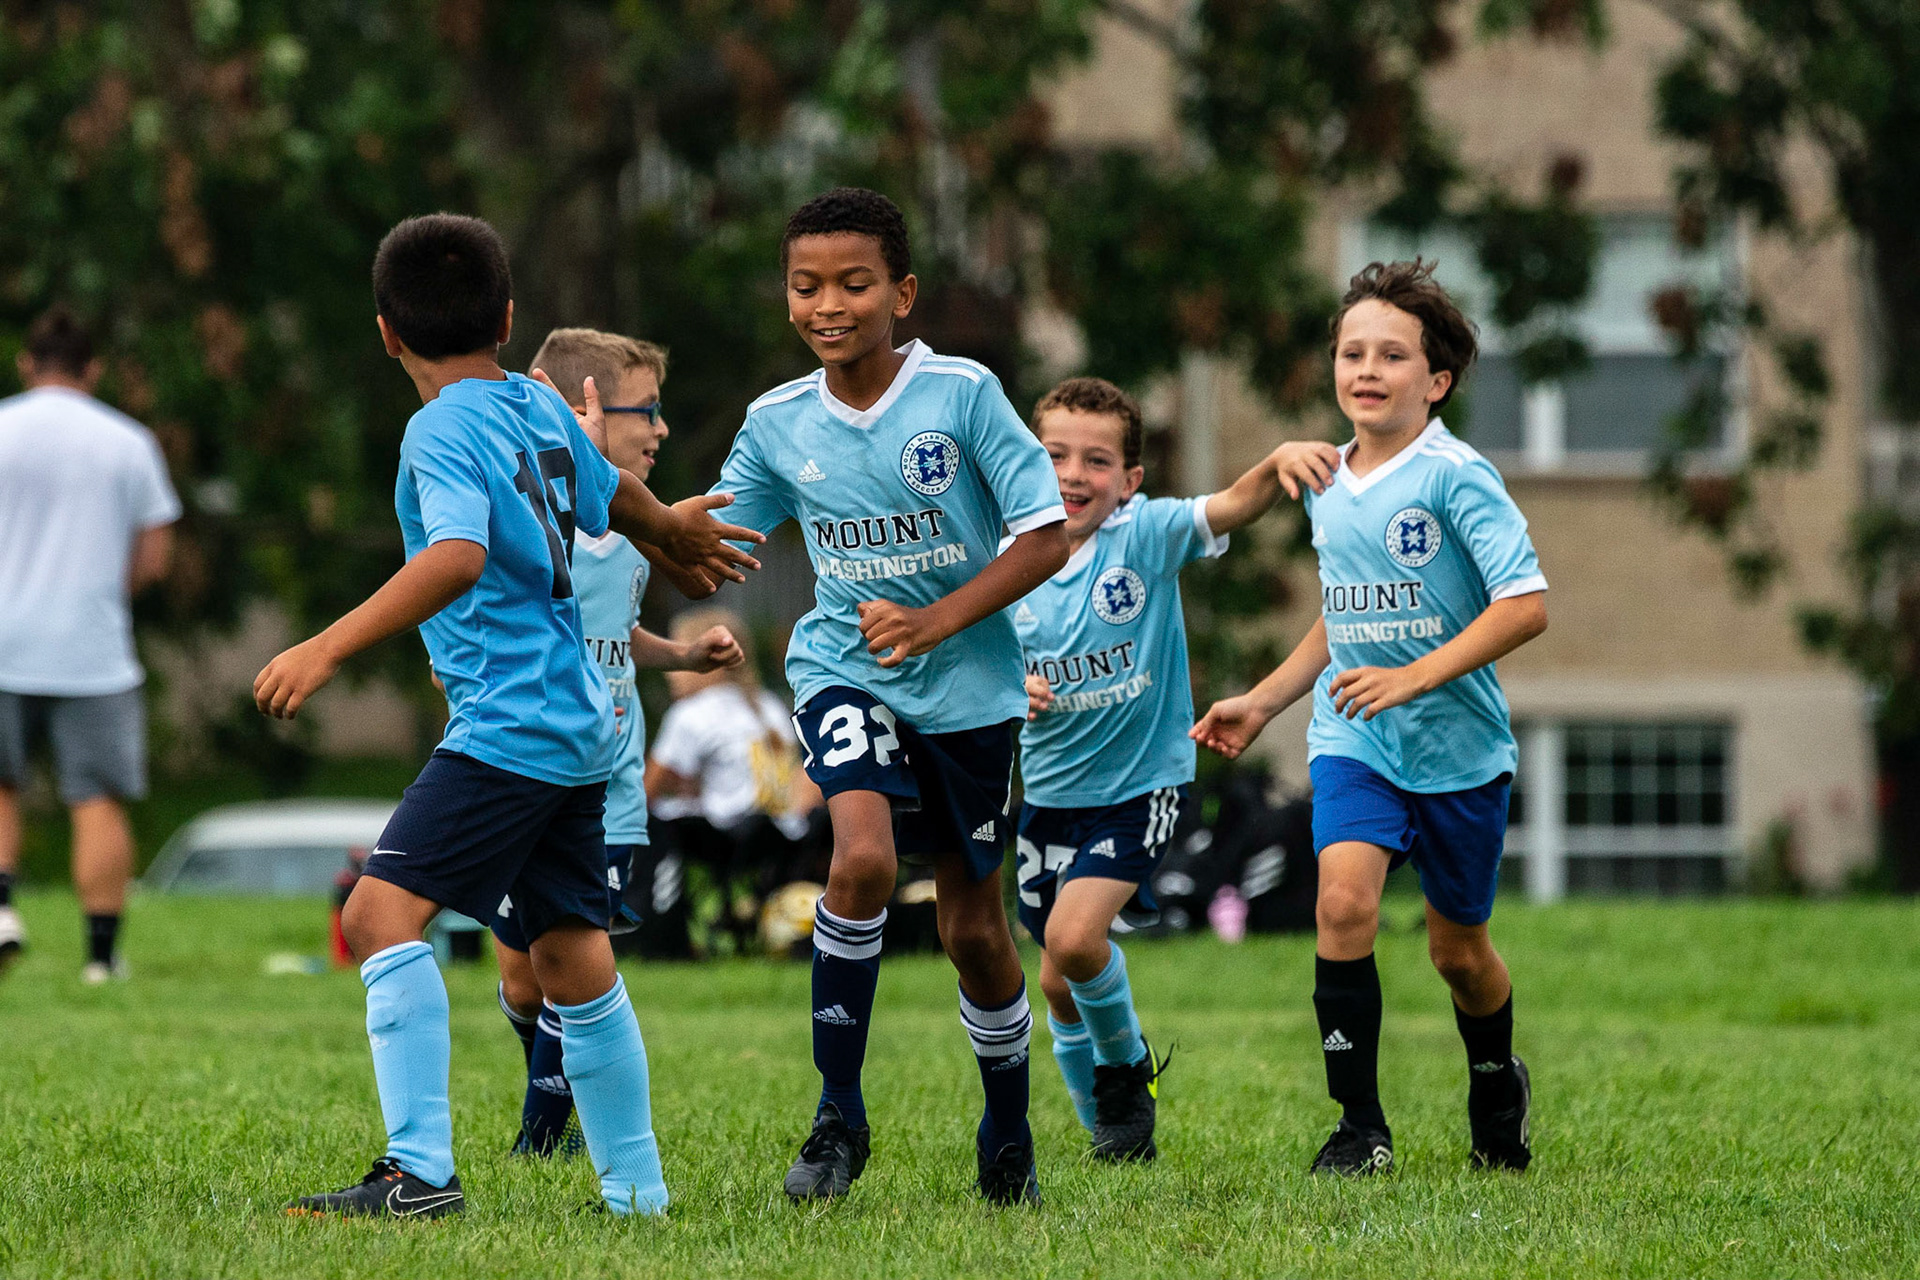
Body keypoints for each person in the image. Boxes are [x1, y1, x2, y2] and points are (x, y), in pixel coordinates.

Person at [252, 213, 762, 1218]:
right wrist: (665, 529)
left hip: (510, 723)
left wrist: (325, 645)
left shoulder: (437, 427)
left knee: (375, 914)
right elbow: (602, 483)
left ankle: (418, 1173)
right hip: (578, 720)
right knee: (574, 953)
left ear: (386, 333)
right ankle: (638, 1193)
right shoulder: (533, 405)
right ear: (510, 316)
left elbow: (456, 555)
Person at [707, 187, 1068, 1206]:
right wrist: (626, 498)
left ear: (901, 293)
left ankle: (1007, 1125)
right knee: (859, 858)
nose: (830, 302)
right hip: (844, 666)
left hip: (972, 689)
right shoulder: (777, 422)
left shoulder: (961, 395)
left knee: (973, 930)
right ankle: (838, 1116)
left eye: (854, 282)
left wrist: (937, 619)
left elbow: (1044, 534)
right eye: (806, 283)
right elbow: (717, 531)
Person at [1191, 259, 1547, 1177]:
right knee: (1341, 904)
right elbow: (1343, 616)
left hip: (1460, 750)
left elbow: (1525, 607)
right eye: (1353, 351)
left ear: (1436, 381)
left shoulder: (1458, 476)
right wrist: (1267, 700)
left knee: (1458, 952)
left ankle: (1496, 1087)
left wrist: (1413, 677)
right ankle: (1360, 1129)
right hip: (1356, 741)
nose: (1367, 368)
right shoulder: (1325, 479)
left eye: (1393, 354)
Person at [1014, 376, 1340, 1161]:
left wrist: (1277, 461)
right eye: (1055, 454)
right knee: (1057, 979)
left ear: (1129, 482)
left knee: (1074, 937)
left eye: (1097, 461)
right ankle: (1109, 1134)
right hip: (1046, 798)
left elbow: (1229, 503)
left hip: (1140, 788)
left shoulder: (1146, 536)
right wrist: (1006, 684)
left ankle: (1127, 1074)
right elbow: (969, 647)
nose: (1073, 474)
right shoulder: (1008, 555)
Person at [488, 327, 744, 1158]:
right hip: (521, 766)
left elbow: (613, 632)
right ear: (581, 412)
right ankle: (555, 1098)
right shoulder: (532, 517)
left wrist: (679, 655)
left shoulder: (641, 531)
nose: (662, 430)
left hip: (607, 788)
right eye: (649, 411)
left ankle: (542, 1137)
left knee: (570, 968)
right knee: (520, 979)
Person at [0, 306, 180, 982]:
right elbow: (155, 557)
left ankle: (1, 911)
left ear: (27, 363)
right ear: (92, 369)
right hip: (92, 650)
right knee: (96, 798)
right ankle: (101, 959)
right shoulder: (128, 441)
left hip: (2, 638)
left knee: (2, 786)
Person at [644, 608, 822, 951]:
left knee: (638, 818)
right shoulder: (771, 708)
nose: (670, 673)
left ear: (708, 659)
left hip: (726, 838)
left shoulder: (692, 714)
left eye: (677, 653)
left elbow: (646, 791)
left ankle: (654, 930)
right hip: (781, 836)